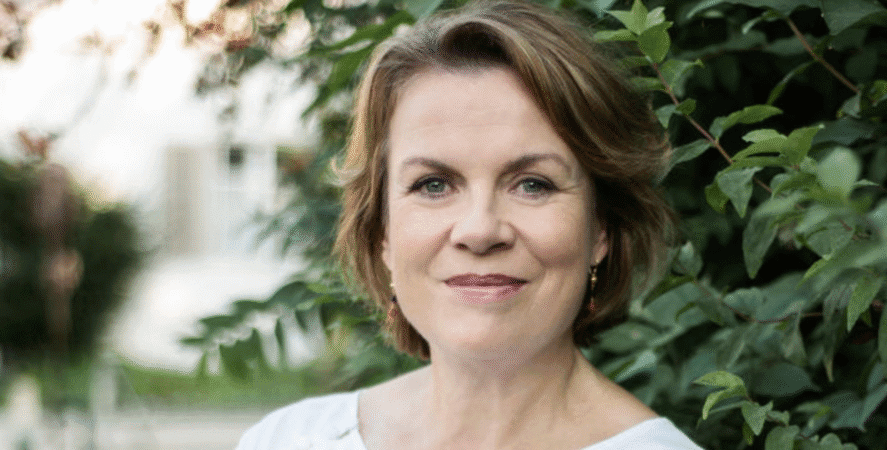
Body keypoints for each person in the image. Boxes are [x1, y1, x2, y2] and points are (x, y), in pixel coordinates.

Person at [236, 1, 702, 449]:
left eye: (533, 184)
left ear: (601, 227)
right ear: (382, 233)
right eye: (433, 185)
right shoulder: (283, 441)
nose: (479, 231)